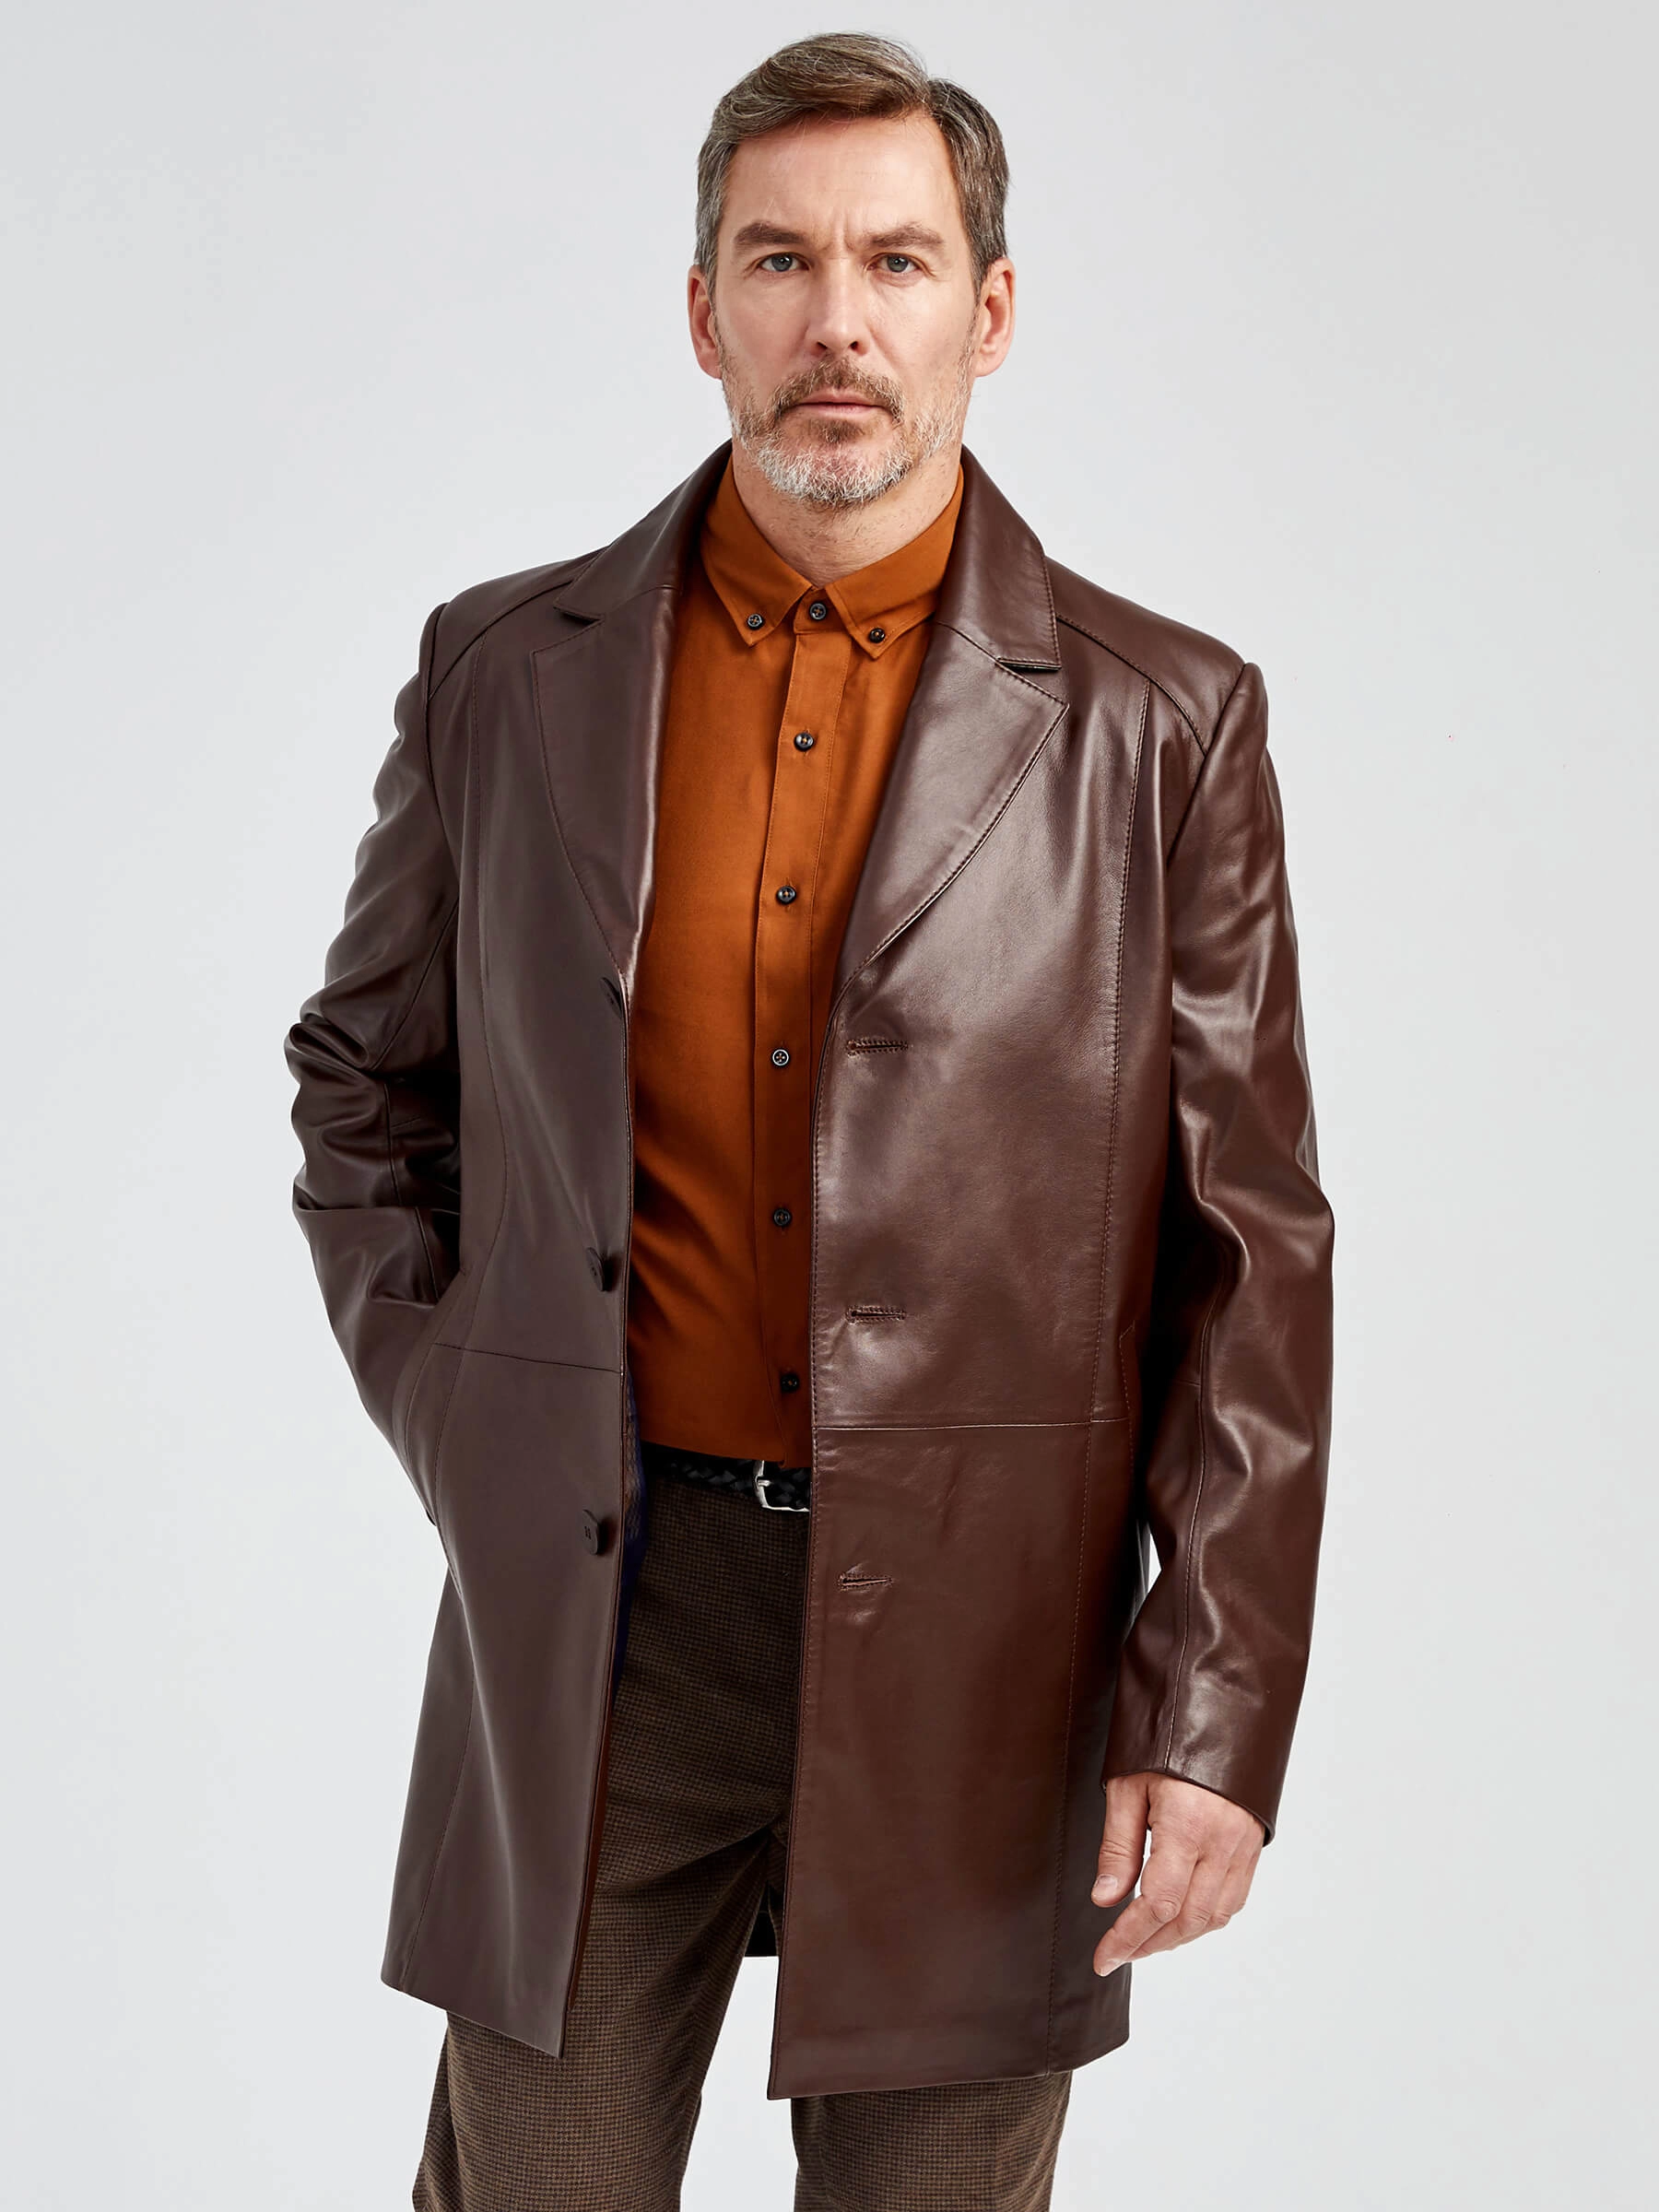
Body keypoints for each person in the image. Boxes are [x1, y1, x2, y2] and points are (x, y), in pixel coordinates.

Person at [284, 30, 1335, 2210]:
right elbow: (366, 1084)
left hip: (992, 1639)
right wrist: (470, 1412)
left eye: (896, 261)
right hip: (605, 1617)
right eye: (780, 261)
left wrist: (1212, 1710)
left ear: (990, 309)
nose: (837, 319)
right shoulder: (506, 675)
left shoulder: (1163, 724)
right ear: (704, 313)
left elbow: (1250, 1252)